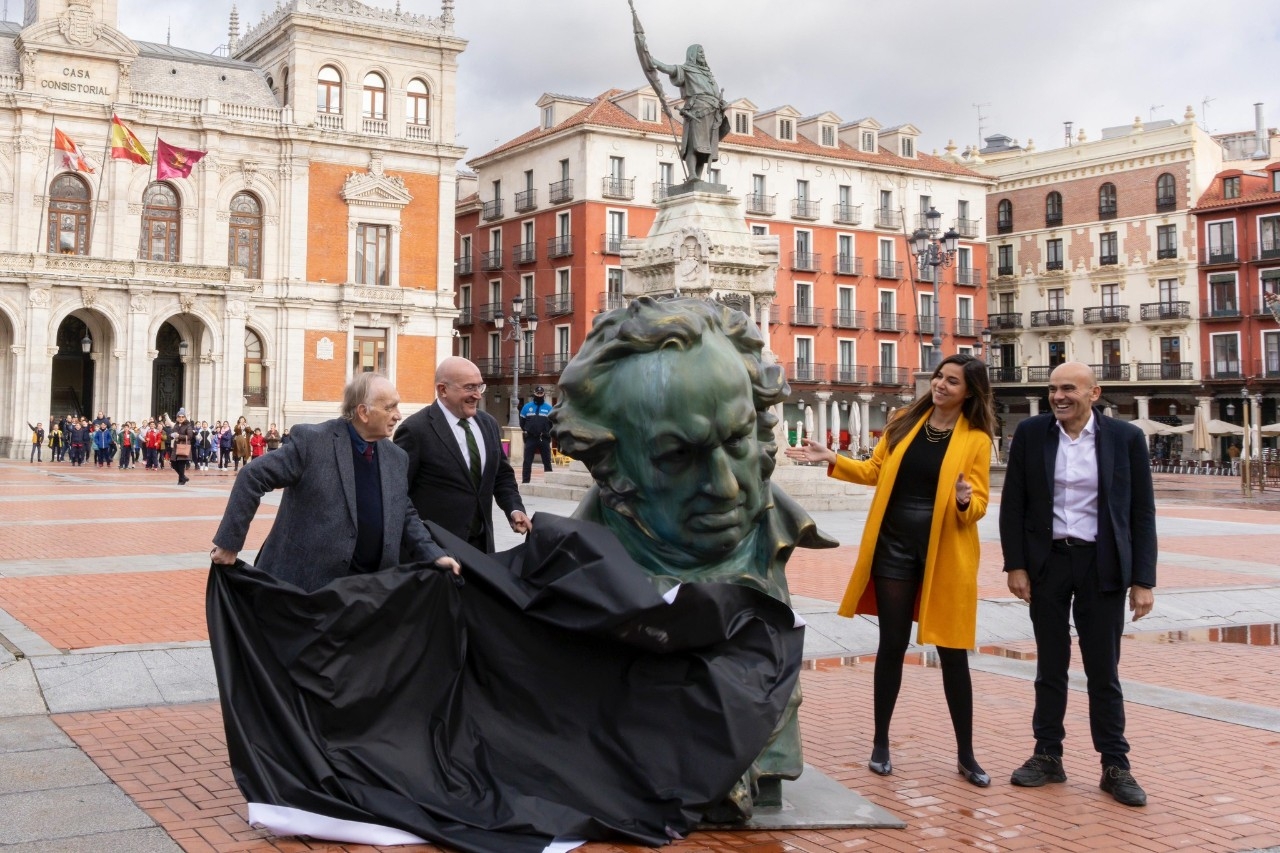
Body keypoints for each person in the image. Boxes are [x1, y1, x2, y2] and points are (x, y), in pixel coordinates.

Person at [551, 297, 837, 819]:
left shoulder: (768, 537)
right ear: (609, 463)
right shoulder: (578, 578)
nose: (725, 487)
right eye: (678, 455)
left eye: (736, 439)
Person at [786, 353, 996, 787]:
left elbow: (976, 505)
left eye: (952, 381)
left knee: (954, 653)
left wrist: (961, 499)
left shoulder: (976, 439)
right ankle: (880, 742)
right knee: (892, 644)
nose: (940, 385)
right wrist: (831, 457)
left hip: (945, 550)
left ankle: (967, 754)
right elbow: (874, 471)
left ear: (969, 392)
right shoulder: (903, 421)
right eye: (939, 377)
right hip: (894, 546)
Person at [999, 361, 1156, 807]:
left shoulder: (1125, 438)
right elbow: (1014, 505)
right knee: (1050, 666)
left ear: (1094, 392)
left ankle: (1115, 764)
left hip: (1101, 564)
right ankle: (1047, 755)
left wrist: (1142, 580)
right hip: (1048, 563)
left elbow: (1142, 512)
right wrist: (1016, 565)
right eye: (1053, 389)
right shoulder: (1032, 433)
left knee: (1103, 670)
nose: (1058, 396)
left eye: (1069, 388)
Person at [211, 373, 460, 591]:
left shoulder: (396, 457)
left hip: (369, 593)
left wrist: (433, 554)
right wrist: (229, 544)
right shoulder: (313, 442)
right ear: (363, 412)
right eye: (390, 407)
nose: (398, 415)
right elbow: (252, 476)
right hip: (303, 590)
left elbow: (404, 513)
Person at [395, 357, 530, 554]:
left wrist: (515, 509)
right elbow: (398, 493)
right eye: (469, 388)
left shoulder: (489, 424)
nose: (477, 395)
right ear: (443, 390)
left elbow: (501, 476)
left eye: (479, 387)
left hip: (481, 549)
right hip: (435, 551)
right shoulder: (415, 430)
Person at [634, 38, 729, 181]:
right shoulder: (687, 70)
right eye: (700, 52)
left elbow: (715, 95)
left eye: (704, 53)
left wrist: (722, 103)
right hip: (696, 111)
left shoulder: (709, 76)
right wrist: (652, 60)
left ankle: (698, 178)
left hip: (713, 114)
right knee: (693, 145)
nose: (703, 55)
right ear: (692, 55)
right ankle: (692, 175)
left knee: (705, 149)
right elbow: (669, 69)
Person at [519, 386, 554, 484]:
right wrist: (527, 431)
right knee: (527, 461)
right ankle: (525, 482)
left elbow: (552, 424)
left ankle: (549, 482)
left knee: (547, 461)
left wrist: (547, 432)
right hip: (531, 438)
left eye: (541, 393)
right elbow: (522, 422)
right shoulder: (526, 407)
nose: (539, 395)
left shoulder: (549, 408)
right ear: (534, 394)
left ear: (543, 394)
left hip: (544, 438)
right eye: (537, 393)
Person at [170, 409, 195, 485]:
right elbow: (171, 433)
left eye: (182, 417)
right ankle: (183, 477)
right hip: (176, 447)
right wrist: (171, 435)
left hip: (183, 446)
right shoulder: (176, 425)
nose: (181, 418)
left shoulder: (188, 425)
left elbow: (190, 436)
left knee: (181, 464)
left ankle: (181, 480)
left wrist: (179, 436)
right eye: (179, 417)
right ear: (177, 418)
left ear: (185, 418)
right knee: (173, 463)